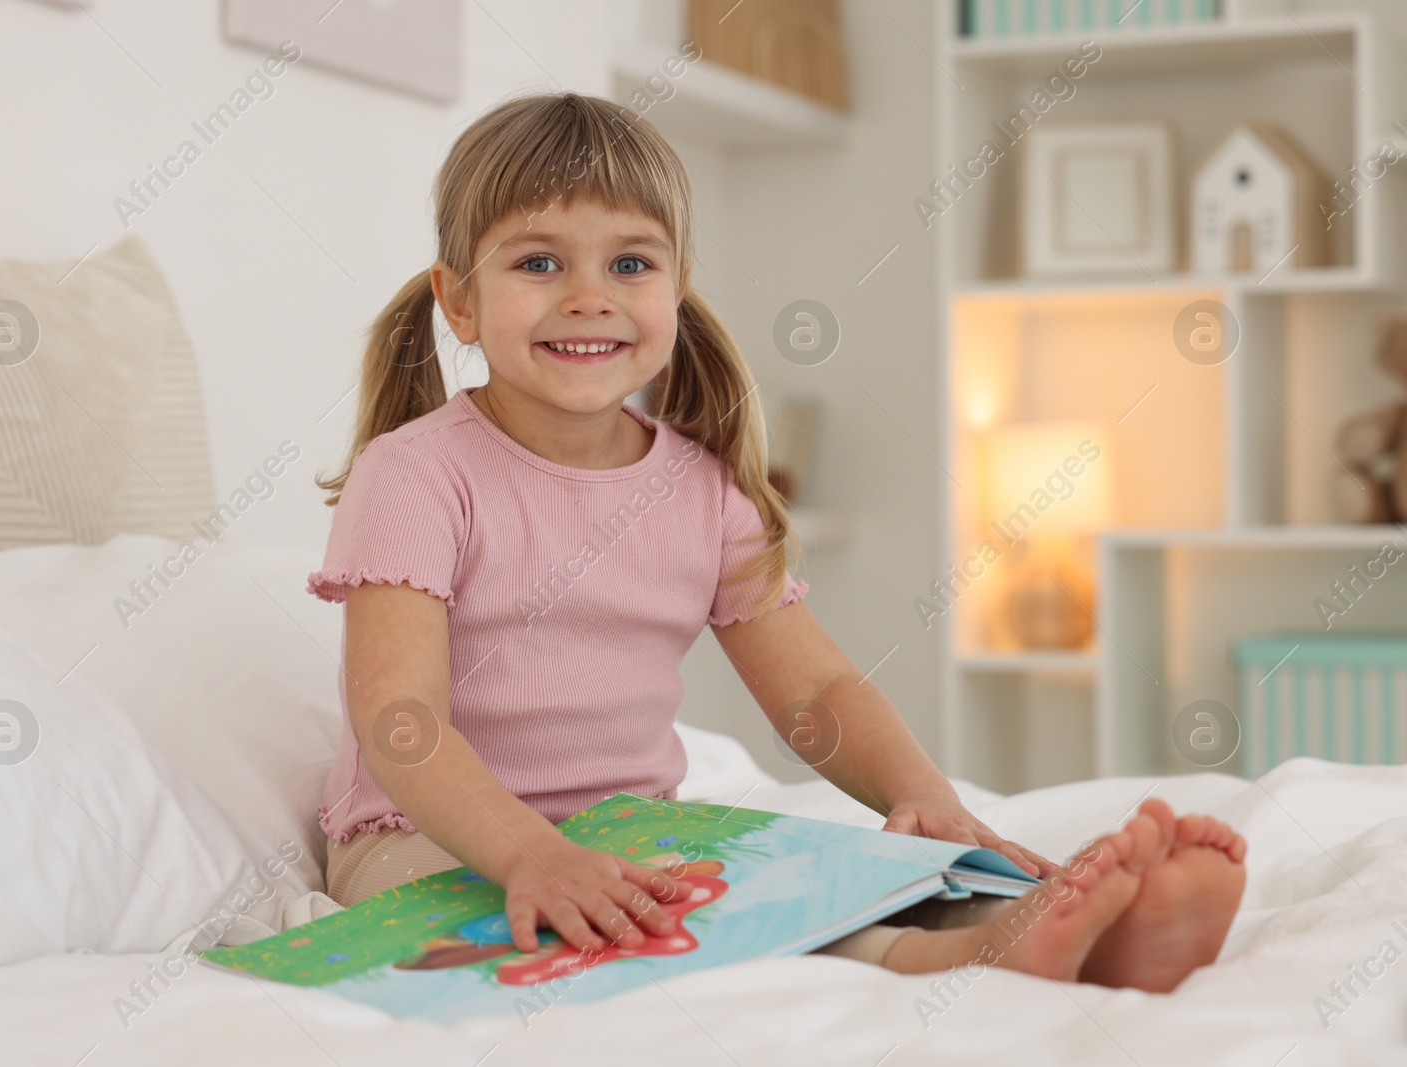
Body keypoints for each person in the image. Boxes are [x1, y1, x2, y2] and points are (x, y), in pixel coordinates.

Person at [308, 91, 1247, 991]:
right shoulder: (418, 476)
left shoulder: (704, 488)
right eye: (539, 263)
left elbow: (816, 688)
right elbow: (403, 720)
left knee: (785, 885)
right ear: (459, 302)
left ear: (675, 289)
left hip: (628, 833)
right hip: (420, 839)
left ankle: (1034, 929)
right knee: (618, 930)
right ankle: (954, 963)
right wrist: (531, 855)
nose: (589, 296)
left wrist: (922, 796)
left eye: (631, 264)